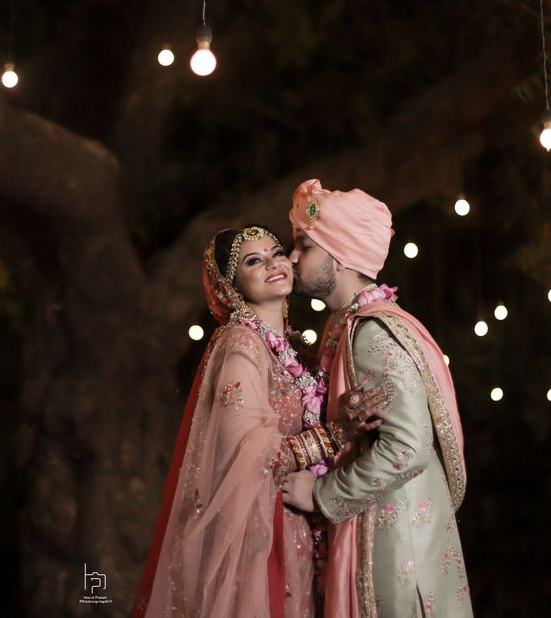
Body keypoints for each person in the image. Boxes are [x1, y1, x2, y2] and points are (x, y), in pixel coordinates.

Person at [131, 224, 387, 617]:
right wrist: (337, 433)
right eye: (254, 261)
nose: (273, 263)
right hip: (261, 535)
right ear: (230, 287)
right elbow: (250, 456)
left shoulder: (291, 346)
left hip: (296, 525)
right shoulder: (240, 347)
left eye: (276, 252)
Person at [281, 180, 473, 617]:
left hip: (397, 552)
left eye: (304, 246)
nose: (292, 258)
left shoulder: (371, 332)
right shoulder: (345, 325)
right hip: (386, 536)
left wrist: (323, 493)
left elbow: (407, 446)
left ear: (340, 256)